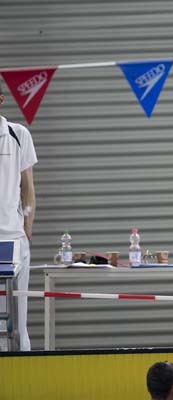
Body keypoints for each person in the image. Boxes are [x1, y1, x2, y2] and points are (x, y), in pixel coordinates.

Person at [0, 82, 36, 351]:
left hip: (13, 237)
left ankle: (24, 361)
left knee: (19, 320)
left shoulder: (18, 134)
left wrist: (27, 227)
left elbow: (28, 187)